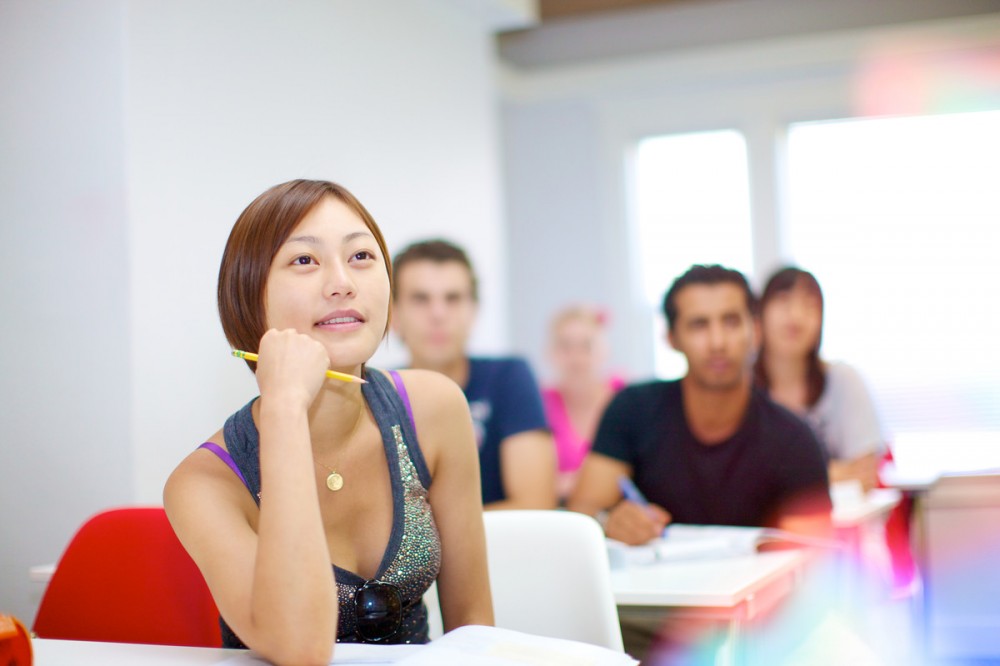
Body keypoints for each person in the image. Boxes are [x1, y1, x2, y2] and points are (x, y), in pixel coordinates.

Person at [163, 180, 493, 665]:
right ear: (248, 294)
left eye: (361, 256)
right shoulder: (204, 482)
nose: (343, 282)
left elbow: (475, 631)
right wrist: (284, 410)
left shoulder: (435, 408)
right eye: (304, 260)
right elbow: (300, 648)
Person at [568, 264, 833, 546]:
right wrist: (609, 522)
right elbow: (581, 512)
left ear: (755, 330)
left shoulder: (794, 440)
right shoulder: (631, 410)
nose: (717, 342)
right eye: (699, 325)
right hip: (652, 588)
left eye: (731, 322)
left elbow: (816, 559)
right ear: (671, 338)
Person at [391, 239, 557, 510]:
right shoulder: (373, 392)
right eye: (420, 299)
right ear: (393, 315)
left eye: (453, 299)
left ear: (474, 311)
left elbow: (535, 505)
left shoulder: (509, 376)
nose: (438, 314)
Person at [754, 267, 885, 491]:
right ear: (759, 316)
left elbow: (865, 477)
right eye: (784, 300)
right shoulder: (739, 384)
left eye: (809, 304)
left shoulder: (844, 380)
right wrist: (832, 472)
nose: (795, 316)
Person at [541, 305, 625, 501]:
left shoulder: (625, 397)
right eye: (565, 347)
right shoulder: (540, 404)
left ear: (604, 350)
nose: (576, 357)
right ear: (550, 352)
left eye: (586, 346)